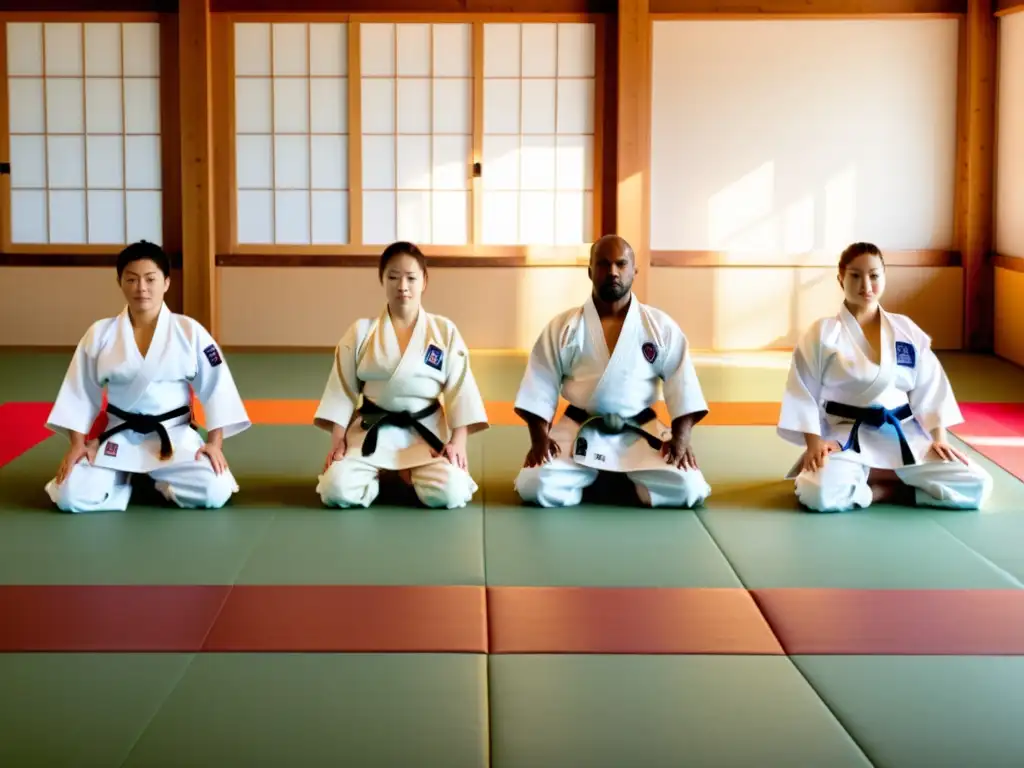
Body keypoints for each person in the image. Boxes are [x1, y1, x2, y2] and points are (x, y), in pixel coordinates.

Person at [778, 241, 993, 512]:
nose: (866, 285)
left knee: (977, 484)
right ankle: (881, 482)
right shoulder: (821, 334)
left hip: (902, 434)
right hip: (845, 437)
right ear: (840, 278)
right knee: (818, 494)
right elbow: (802, 391)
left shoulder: (906, 329)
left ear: (884, 276)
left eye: (874, 275)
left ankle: (881, 487)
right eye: (855, 275)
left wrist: (939, 438)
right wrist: (814, 444)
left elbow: (931, 387)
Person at [44, 241, 250, 513]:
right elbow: (78, 391)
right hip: (119, 436)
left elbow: (217, 388)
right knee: (70, 494)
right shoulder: (100, 333)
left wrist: (214, 444)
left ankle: (154, 483)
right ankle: (126, 481)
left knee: (215, 490)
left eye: (150, 279)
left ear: (166, 282)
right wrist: (77, 445)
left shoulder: (189, 331)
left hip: (173, 436)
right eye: (131, 279)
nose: (141, 288)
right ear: (120, 282)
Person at [512, 234, 712, 508]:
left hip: (639, 430)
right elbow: (540, 383)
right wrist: (539, 439)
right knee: (534, 484)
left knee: (690, 488)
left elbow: (683, 382)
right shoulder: (565, 326)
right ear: (590, 270)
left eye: (621, 264)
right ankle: (618, 480)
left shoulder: (658, 326)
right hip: (579, 428)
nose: (613, 272)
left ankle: (603, 482)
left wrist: (681, 438)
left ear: (634, 270)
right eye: (604, 264)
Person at [314, 241, 489, 509]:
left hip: (425, 432)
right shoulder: (361, 332)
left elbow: (460, 389)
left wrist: (458, 442)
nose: (402, 286)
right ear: (382, 281)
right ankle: (385, 474)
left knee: (451, 492)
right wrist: (338, 441)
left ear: (424, 281)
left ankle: (401, 472)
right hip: (372, 429)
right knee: (335, 488)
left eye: (410, 278)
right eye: (393, 277)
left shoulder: (444, 331)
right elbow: (342, 389)